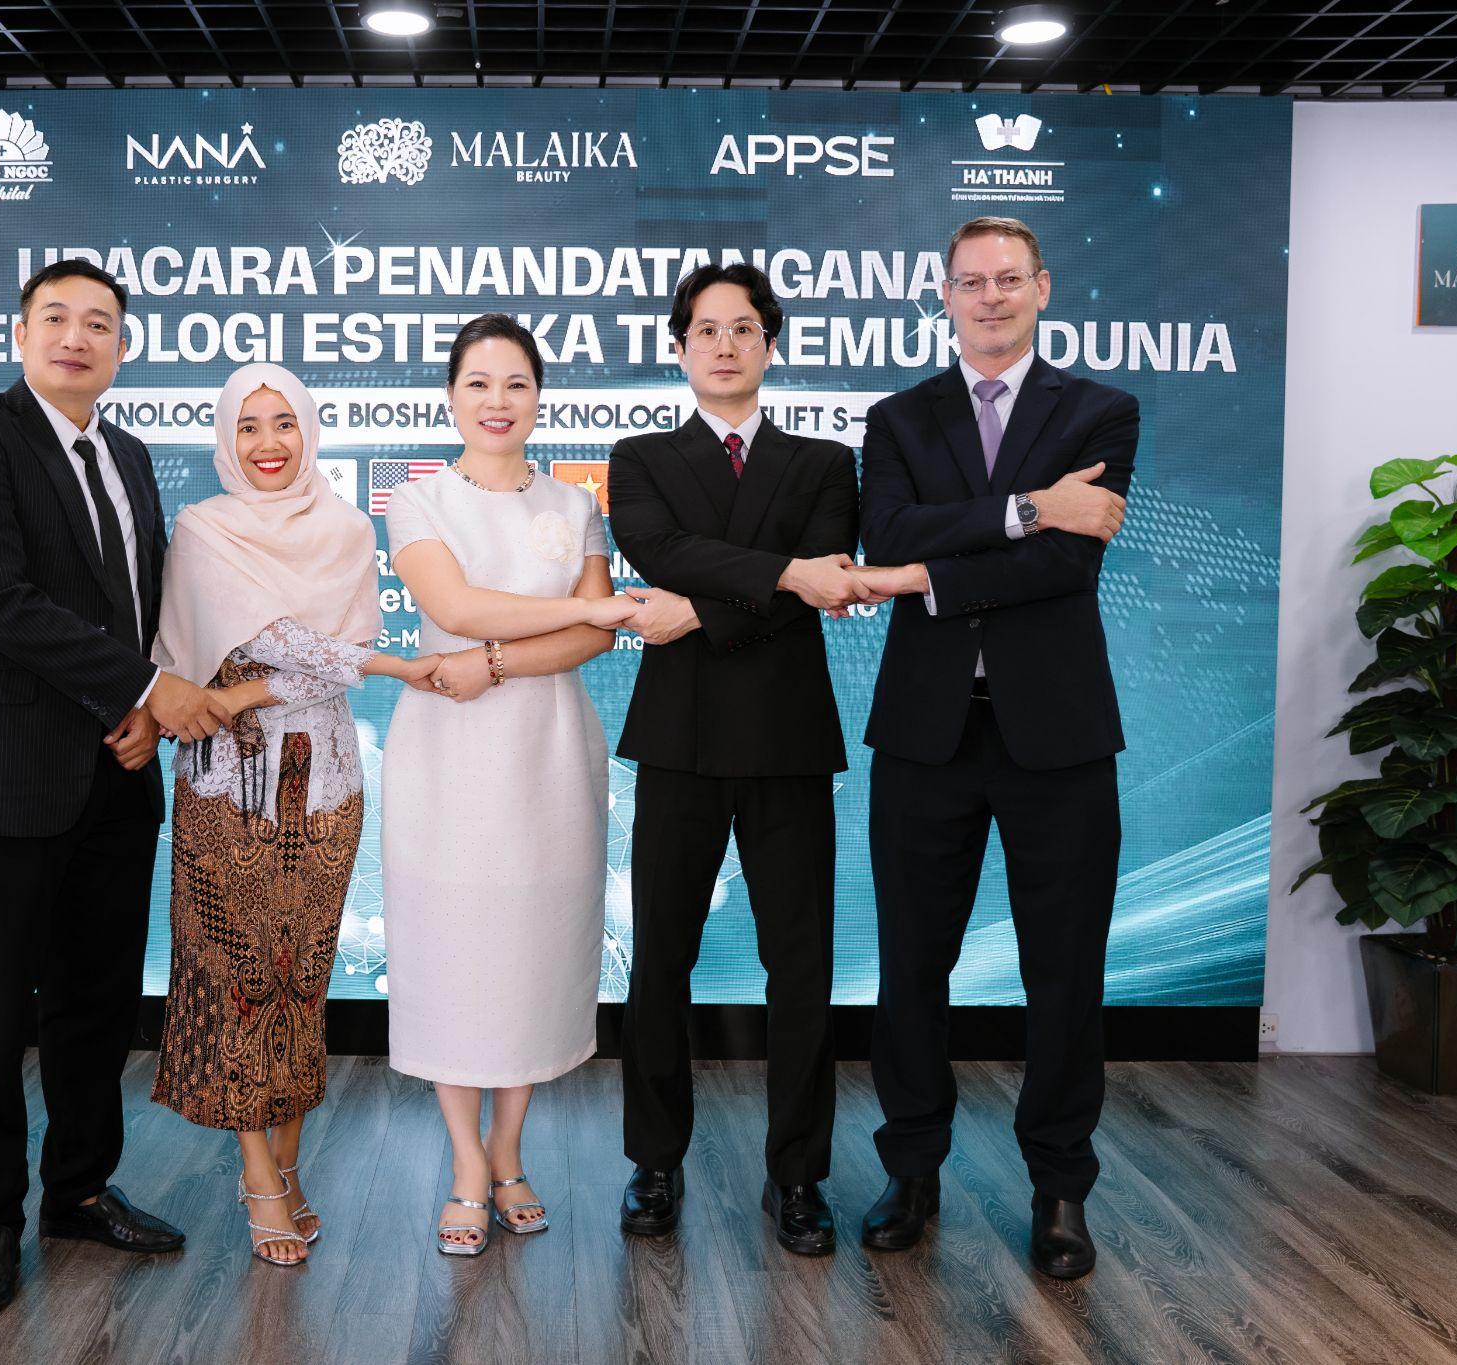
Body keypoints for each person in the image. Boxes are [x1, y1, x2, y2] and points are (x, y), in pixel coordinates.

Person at [0, 258, 233, 1317]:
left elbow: (133, 607)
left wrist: (143, 704)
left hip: (118, 766)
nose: (75, 336)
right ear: (20, 334)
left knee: (97, 1000)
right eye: (55, 317)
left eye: (99, 323)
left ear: (122, 347)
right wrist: (146, 687)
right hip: (14, 766)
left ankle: (80, 1191)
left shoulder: (129, 455)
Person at [851, 216, 1135, 1281]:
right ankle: (911, 1170)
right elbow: (887, 533)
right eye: (970, 282)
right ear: (944, 294)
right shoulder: (897, 417)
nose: (990, 297)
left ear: (1042, 288)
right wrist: (1026, 508)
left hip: (1056, 733)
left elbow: (1066, 564)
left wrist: (924, 573)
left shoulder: (1100, 411)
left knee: (1064, 971)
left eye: (1008, 279)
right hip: (925, 732)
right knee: (910, 966)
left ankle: (1060, 1187)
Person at [148, 363, 438, 1267]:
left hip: (325, 787)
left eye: (284, 423)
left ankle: (289, 1162)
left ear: (309, 431)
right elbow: (273, 644)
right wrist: (373, 667)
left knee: (301, 981)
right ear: (226, 439)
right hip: (223, 788)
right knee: (239, 979)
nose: (268, 443)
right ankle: (258, 1175)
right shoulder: (203, 529)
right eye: (249, 426)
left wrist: (248, 690)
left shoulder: (346, 527)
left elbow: (326, 653)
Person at [606, 263, 863, 1257]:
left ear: (769, 344)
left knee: (800, 966)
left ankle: (798, 1174)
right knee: (659, 962)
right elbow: (659, 551)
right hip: (679, 741)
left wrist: (709, 609)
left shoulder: (824, 462)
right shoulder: (639, 457)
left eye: (743, 328)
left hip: (788, 742)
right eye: (706, 329)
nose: (724, 345)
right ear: (679, 348)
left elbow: (821, 583)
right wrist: (784, 574)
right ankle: (653, 1161)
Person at [380, 313, 635, 1257]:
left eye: (516, 383)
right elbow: (452, 604)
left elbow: (595, 636)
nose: (498, 401)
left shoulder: (576, 504)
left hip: (548, 750)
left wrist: (493, 658)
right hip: (446, 753)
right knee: (453, 950)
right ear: (451, 395)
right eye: (479, 383)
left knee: (532, 949)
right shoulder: (418, 500)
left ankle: (509, 1149)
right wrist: (577, 606)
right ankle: (464, 1162)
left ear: (539, 397)